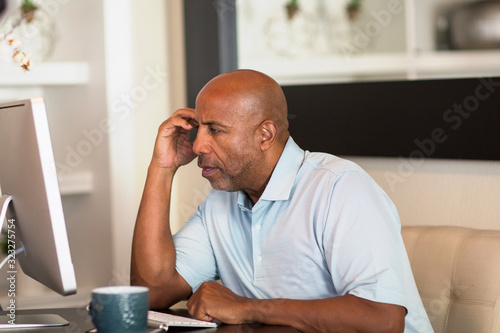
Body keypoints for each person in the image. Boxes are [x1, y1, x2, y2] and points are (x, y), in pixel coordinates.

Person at [131, 69, 433, 332]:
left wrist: (249, 308)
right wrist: (162, 168)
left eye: (215, 130)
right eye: (198, 129)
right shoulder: (219, 203)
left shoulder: (339, 187)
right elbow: (152, 291)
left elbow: (382, 321)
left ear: (265, 135)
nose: (197, 145)